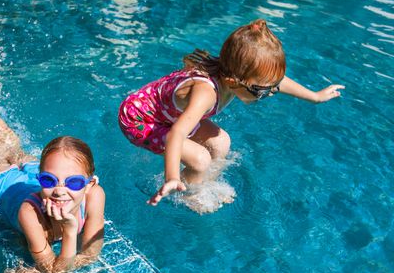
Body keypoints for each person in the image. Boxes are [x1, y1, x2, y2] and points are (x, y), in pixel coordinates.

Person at [118, 18, 344, 213]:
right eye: (263, 91)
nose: (270, 94)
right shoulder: (205, 94)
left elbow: (278, 81)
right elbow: (177, 134)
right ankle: (188, 195)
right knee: (200, 160)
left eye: (271, 87)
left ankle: (204, 184)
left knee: (222, 143)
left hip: (168, 113)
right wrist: (172, 176)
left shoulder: (237, 75)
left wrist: (315, 96)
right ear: (232, 82)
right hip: (140, 119)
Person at [0, 91, 105, 273]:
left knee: (14, 150)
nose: (60, 191)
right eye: (48, 180)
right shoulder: (29, 212)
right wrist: (70, 233)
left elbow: (91, 254)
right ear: (41, 177)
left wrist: (42, 268)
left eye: (74, 182)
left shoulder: (95, 195)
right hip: (5, 184)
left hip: (37, 175)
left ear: (89, 184)